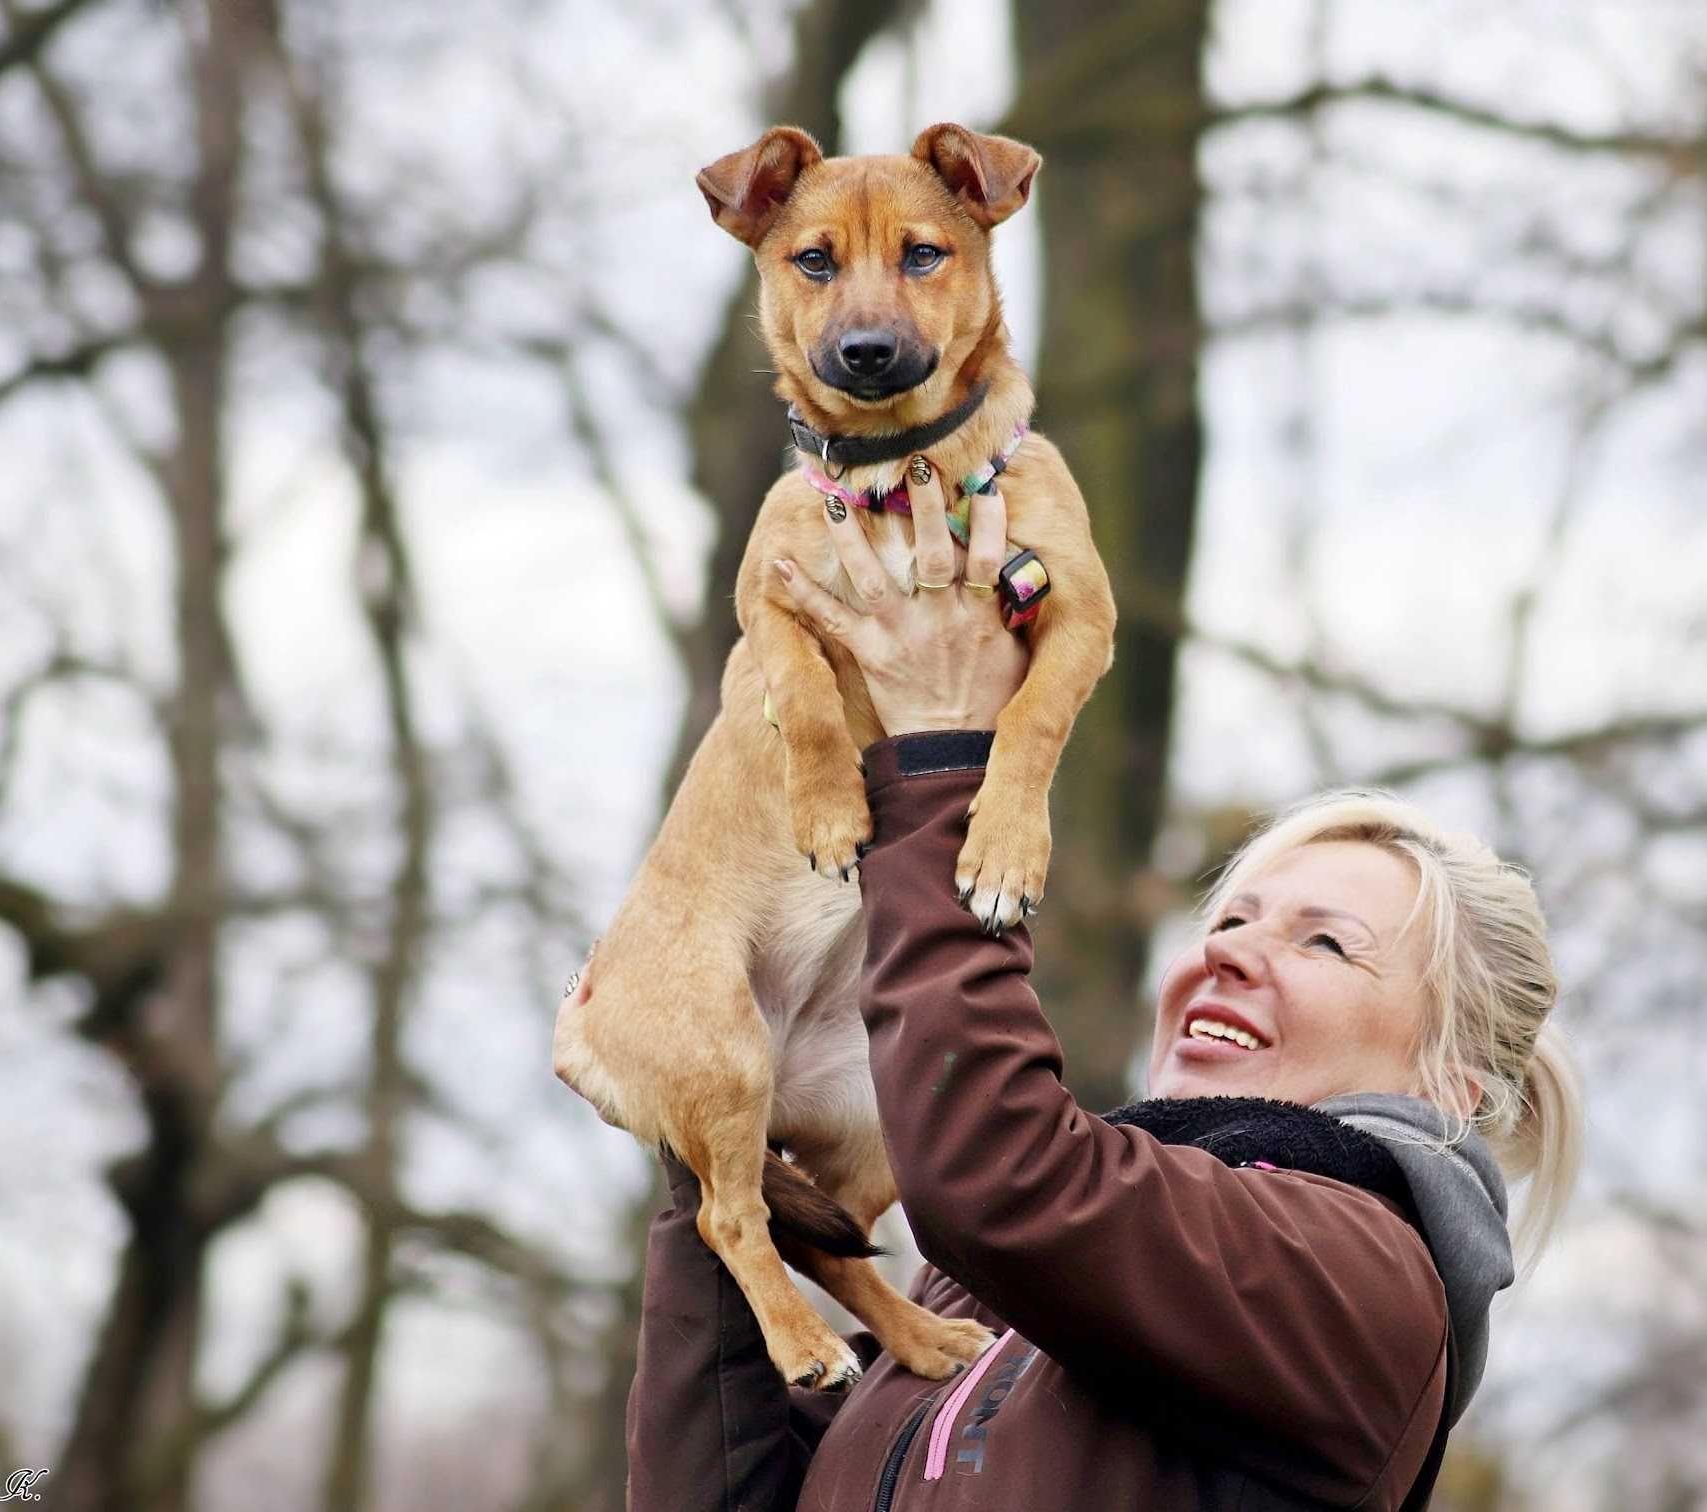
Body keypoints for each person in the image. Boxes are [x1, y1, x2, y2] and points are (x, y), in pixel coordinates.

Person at [624, 463, 1582, 1511]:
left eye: (1324, 945)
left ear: (1449, 1080)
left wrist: (946, 760)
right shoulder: (981, 1288)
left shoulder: (1360, 1275)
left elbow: (1003, 1181)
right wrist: (707, 1111)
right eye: (1229, 919)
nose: (1231, 954)